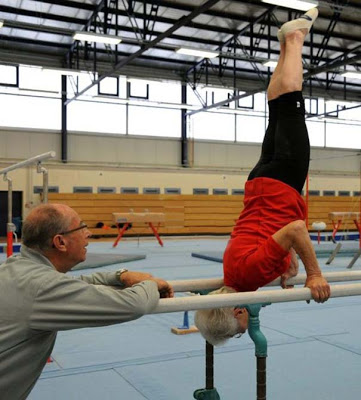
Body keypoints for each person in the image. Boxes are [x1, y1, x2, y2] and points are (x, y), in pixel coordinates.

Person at [195, 8, 331, 346]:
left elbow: (295, 229)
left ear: (238, 311)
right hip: (259, 184)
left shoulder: (250, 277)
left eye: (243, 324)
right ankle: (286, 43)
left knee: (293, 100)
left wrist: (314, 272)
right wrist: (288, 262)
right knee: (278, 106)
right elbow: (267, 236)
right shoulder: (233, 274)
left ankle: (296, 39)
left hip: (282, 184)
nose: (249, 319)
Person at [0, 203, 173, 399]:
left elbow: (72, 284)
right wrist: (151, 283)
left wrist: (121, 276)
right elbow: (133, 305)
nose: (89, 233)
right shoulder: (43, 287)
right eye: (82, 227)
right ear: (60, 242)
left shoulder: (14, 267)